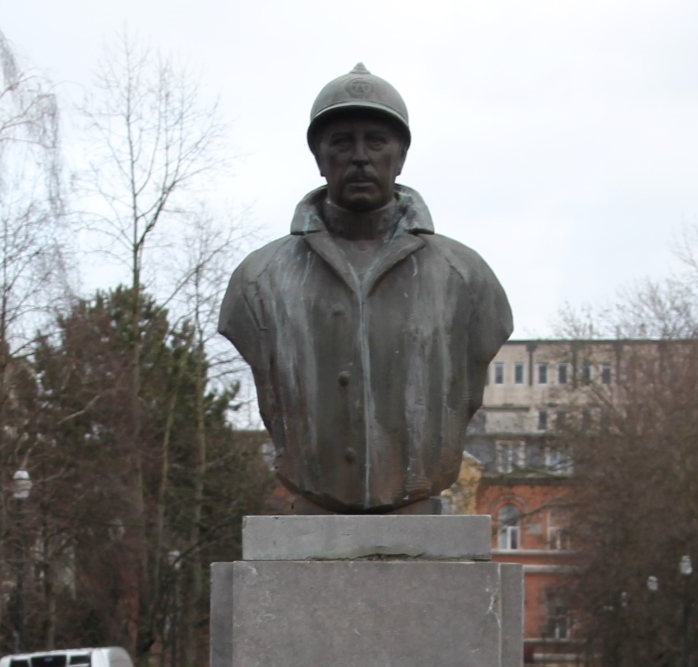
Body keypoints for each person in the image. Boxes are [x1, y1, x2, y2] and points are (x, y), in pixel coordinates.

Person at [219, 63, 512, 513]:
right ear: (319, 157)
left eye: (376, 141)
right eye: (341, 142)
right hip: (310, 507)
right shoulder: (259, 278)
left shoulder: (465, 277)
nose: (360, 156)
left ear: (401, 154)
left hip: (420, 500)